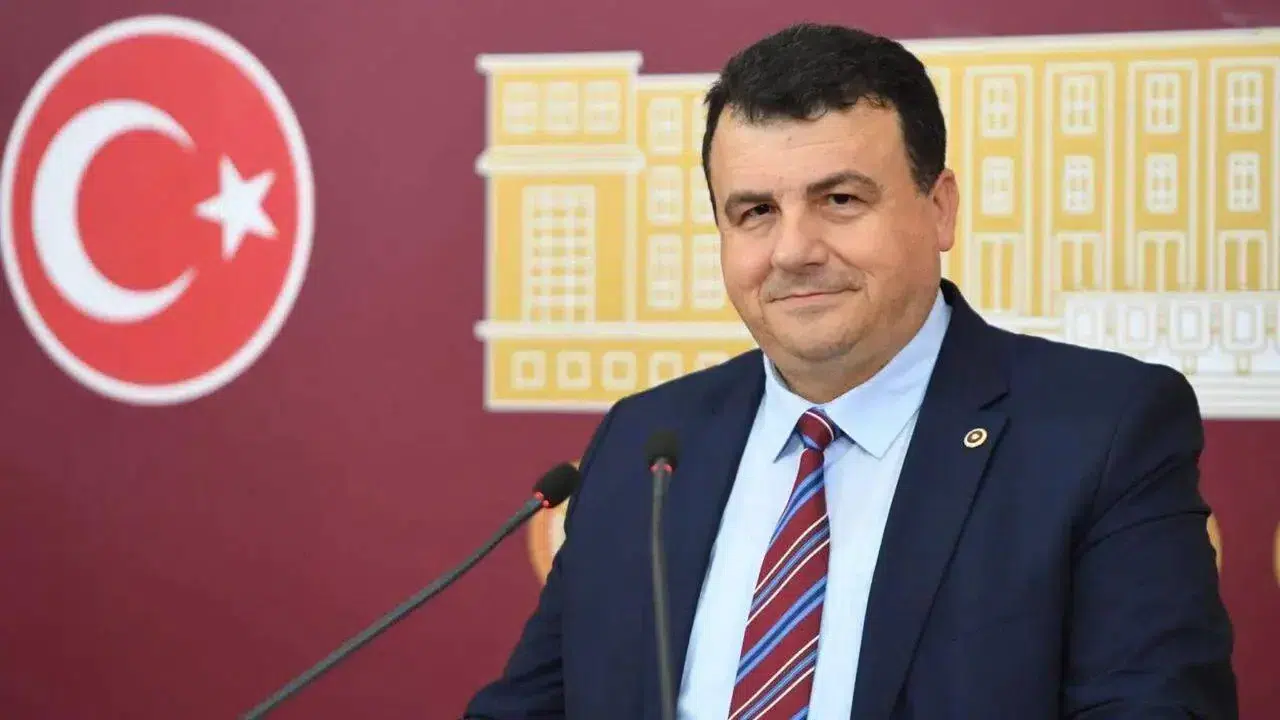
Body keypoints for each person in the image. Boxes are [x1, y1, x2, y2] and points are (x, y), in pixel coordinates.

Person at [463, 22, 1236, 720]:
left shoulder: (1101, 431)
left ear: (940, 208)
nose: (794, 250)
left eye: (839, 199)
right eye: (755, 212)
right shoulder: (647, 440)